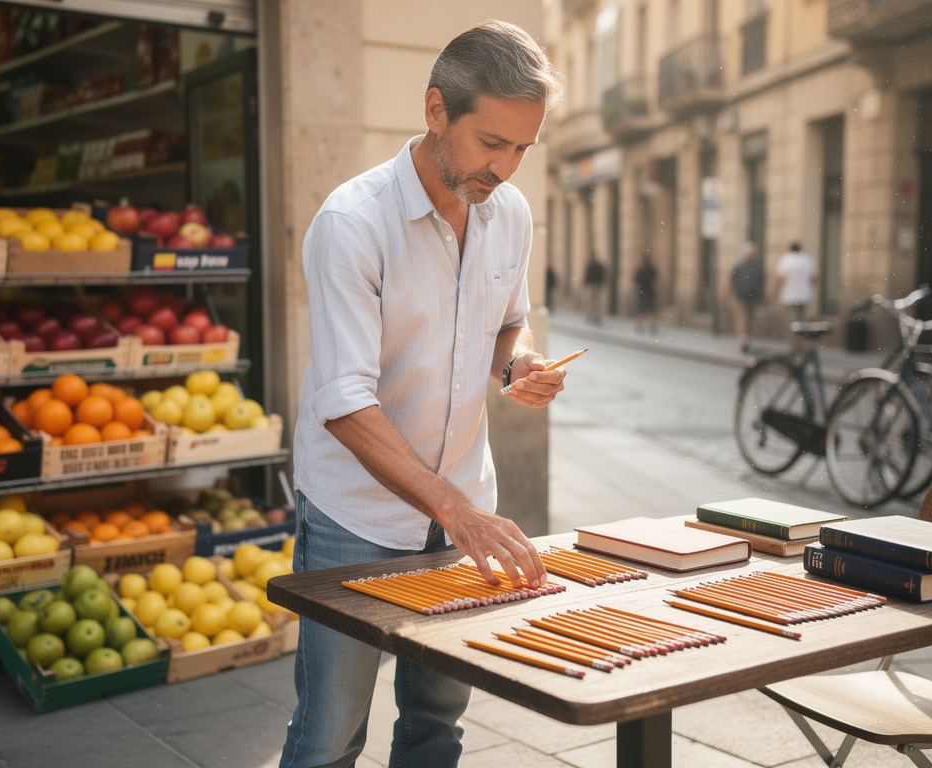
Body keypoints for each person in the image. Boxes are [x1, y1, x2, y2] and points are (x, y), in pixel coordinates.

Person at [282, 21, 566, 768]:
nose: (505, 168)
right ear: (436, 110)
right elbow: (344, 401)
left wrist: (518, 367)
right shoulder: (352, 223)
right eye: (492, 142)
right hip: (356, 517)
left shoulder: (511, 213)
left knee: (438, 726)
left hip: (463, 509)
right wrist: (454, 510)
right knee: (330, 736)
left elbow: (508, 322)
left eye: (522, 149)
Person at [724, 241, 764, 351]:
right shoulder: (739, 267)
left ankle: (746, 340)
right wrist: (725, 296)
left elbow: (762, 284)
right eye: (749, 254)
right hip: (739, 298)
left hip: (752, 299)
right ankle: (743, 341)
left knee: (749, 321)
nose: (751, 256)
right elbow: (730, 283)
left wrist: (765, 296)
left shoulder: (757, 268)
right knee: (742, 320)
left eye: (752, 254)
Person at [773, 241, 817, 323]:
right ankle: (800, 331)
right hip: (805, 296)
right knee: (801, 320)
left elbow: (780, 278)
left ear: (790, 249)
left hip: (789, 296)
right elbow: (814, 279)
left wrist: (774, 291)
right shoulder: (807, 259)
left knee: (791, 321)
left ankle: (793, 331)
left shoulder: (786, 259)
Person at [633, 253, 658, 333]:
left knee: (642, 309)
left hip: (643, 292)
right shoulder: (651, 270)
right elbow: (655, 281)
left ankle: (640, 325)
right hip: (649, 292)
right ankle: (651, 325)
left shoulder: (640, 270)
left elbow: (634, 280)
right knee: (650, 309)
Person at [584, 254, 607, 325]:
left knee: (591, 301)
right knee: (597, 302)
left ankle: (591, 315)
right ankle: (596, 316)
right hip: (598, 285)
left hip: (592, 285)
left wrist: (586, 283)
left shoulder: (590, 266)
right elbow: (603, 275)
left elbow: (587, 275)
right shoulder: (599, 266)